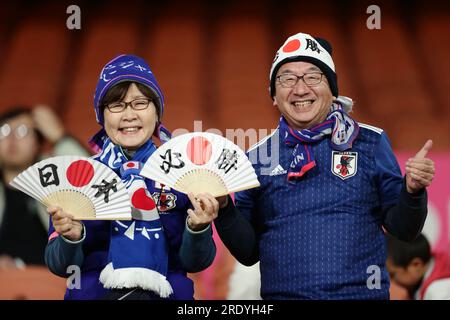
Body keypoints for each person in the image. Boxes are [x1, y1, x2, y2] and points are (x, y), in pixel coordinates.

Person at [213, 32, 435, 299]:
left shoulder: (370, 141)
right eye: (286, 79)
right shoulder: (258, 156)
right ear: (273, 95)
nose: (300, 89)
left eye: (313, 77)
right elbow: (248, 253)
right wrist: (224, 209)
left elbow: (404, 229)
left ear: (332, 89)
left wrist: (412, 191)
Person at [44, 54, 218, 300]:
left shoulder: (182, 176)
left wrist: (198, 229)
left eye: (140, 103)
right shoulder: (77, 178)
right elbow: (58, 265)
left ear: (157, 113)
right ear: (101, 116)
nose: (129, 115)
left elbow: (196, 262)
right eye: (116, 105)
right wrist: (70, 240)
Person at [0, 106, 88, 269]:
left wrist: (59, 137)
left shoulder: (53, 181)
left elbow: (90, 178)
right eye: (4, 130)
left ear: (37, 145)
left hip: (48, 280)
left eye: (22, 131)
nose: (11, 138)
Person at [386, 233, 450, 299]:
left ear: (416, 265)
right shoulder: (437, 261)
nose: (390, 281)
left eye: (392, 275)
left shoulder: (438, 293)